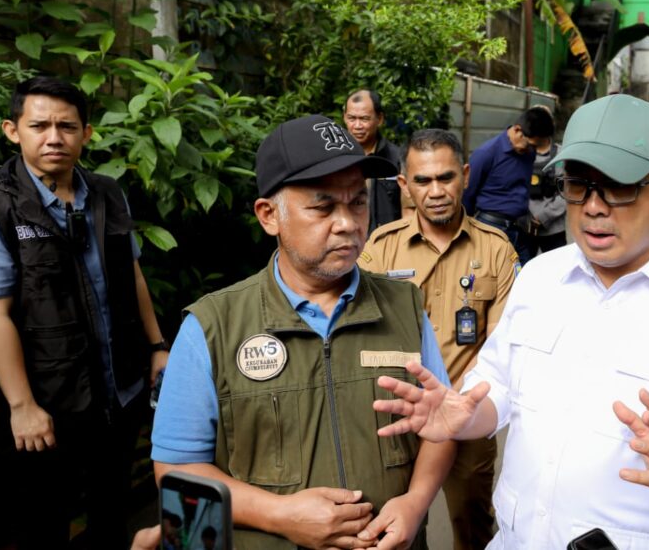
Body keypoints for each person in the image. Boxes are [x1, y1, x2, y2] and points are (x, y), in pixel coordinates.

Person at [371, 94, 649, 549]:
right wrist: (463, 417)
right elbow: (497, 385)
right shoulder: (541, 279)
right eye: (579, 184)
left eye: (619, 186)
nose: (594, 207)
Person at [151, 114, 455, 549]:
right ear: (269, 215)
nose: (348, 223)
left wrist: (416, 502)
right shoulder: (212, 327)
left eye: (356, 203)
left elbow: (439, 427)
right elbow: (176, 471)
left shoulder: (405, 307)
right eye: (323, 206)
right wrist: (280, 515)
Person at [0, 76, 170, 549]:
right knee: (45, 522)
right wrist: (22, 406)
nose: (55, 137)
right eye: (40, 126)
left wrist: (157, 347)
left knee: (112, 512)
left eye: (67, 126)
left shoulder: (108, 193)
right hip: (49, 405)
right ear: (13, 131)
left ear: (86, 134)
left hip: (120, 392)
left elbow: (132, 275)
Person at [359, 129, 518, 550]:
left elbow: (505, 344)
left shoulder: (497, 250)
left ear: (465, 175)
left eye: (445, 178)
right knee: (393, 526)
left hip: (466, 417)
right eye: (423, 180)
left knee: (472, 524)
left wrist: (458, 405)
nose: (435, 191)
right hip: (395, 416)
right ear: (404, 184)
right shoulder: (380, 249)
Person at [462, 106, 555, 264]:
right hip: (490, 227)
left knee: (525, 277)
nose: (532, 151)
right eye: (531, 145)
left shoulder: (528, 153)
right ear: (518, 130)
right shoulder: (486, 154)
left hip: (520, 228)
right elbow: (467, 195)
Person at [343, 89, 405, 233]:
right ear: (344, 117)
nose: (357, 126)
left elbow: (408, 209)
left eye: (364, 119)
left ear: (380, 119)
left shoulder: (396, 159)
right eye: (352, 118)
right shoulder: (336, 158)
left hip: (386, 243)